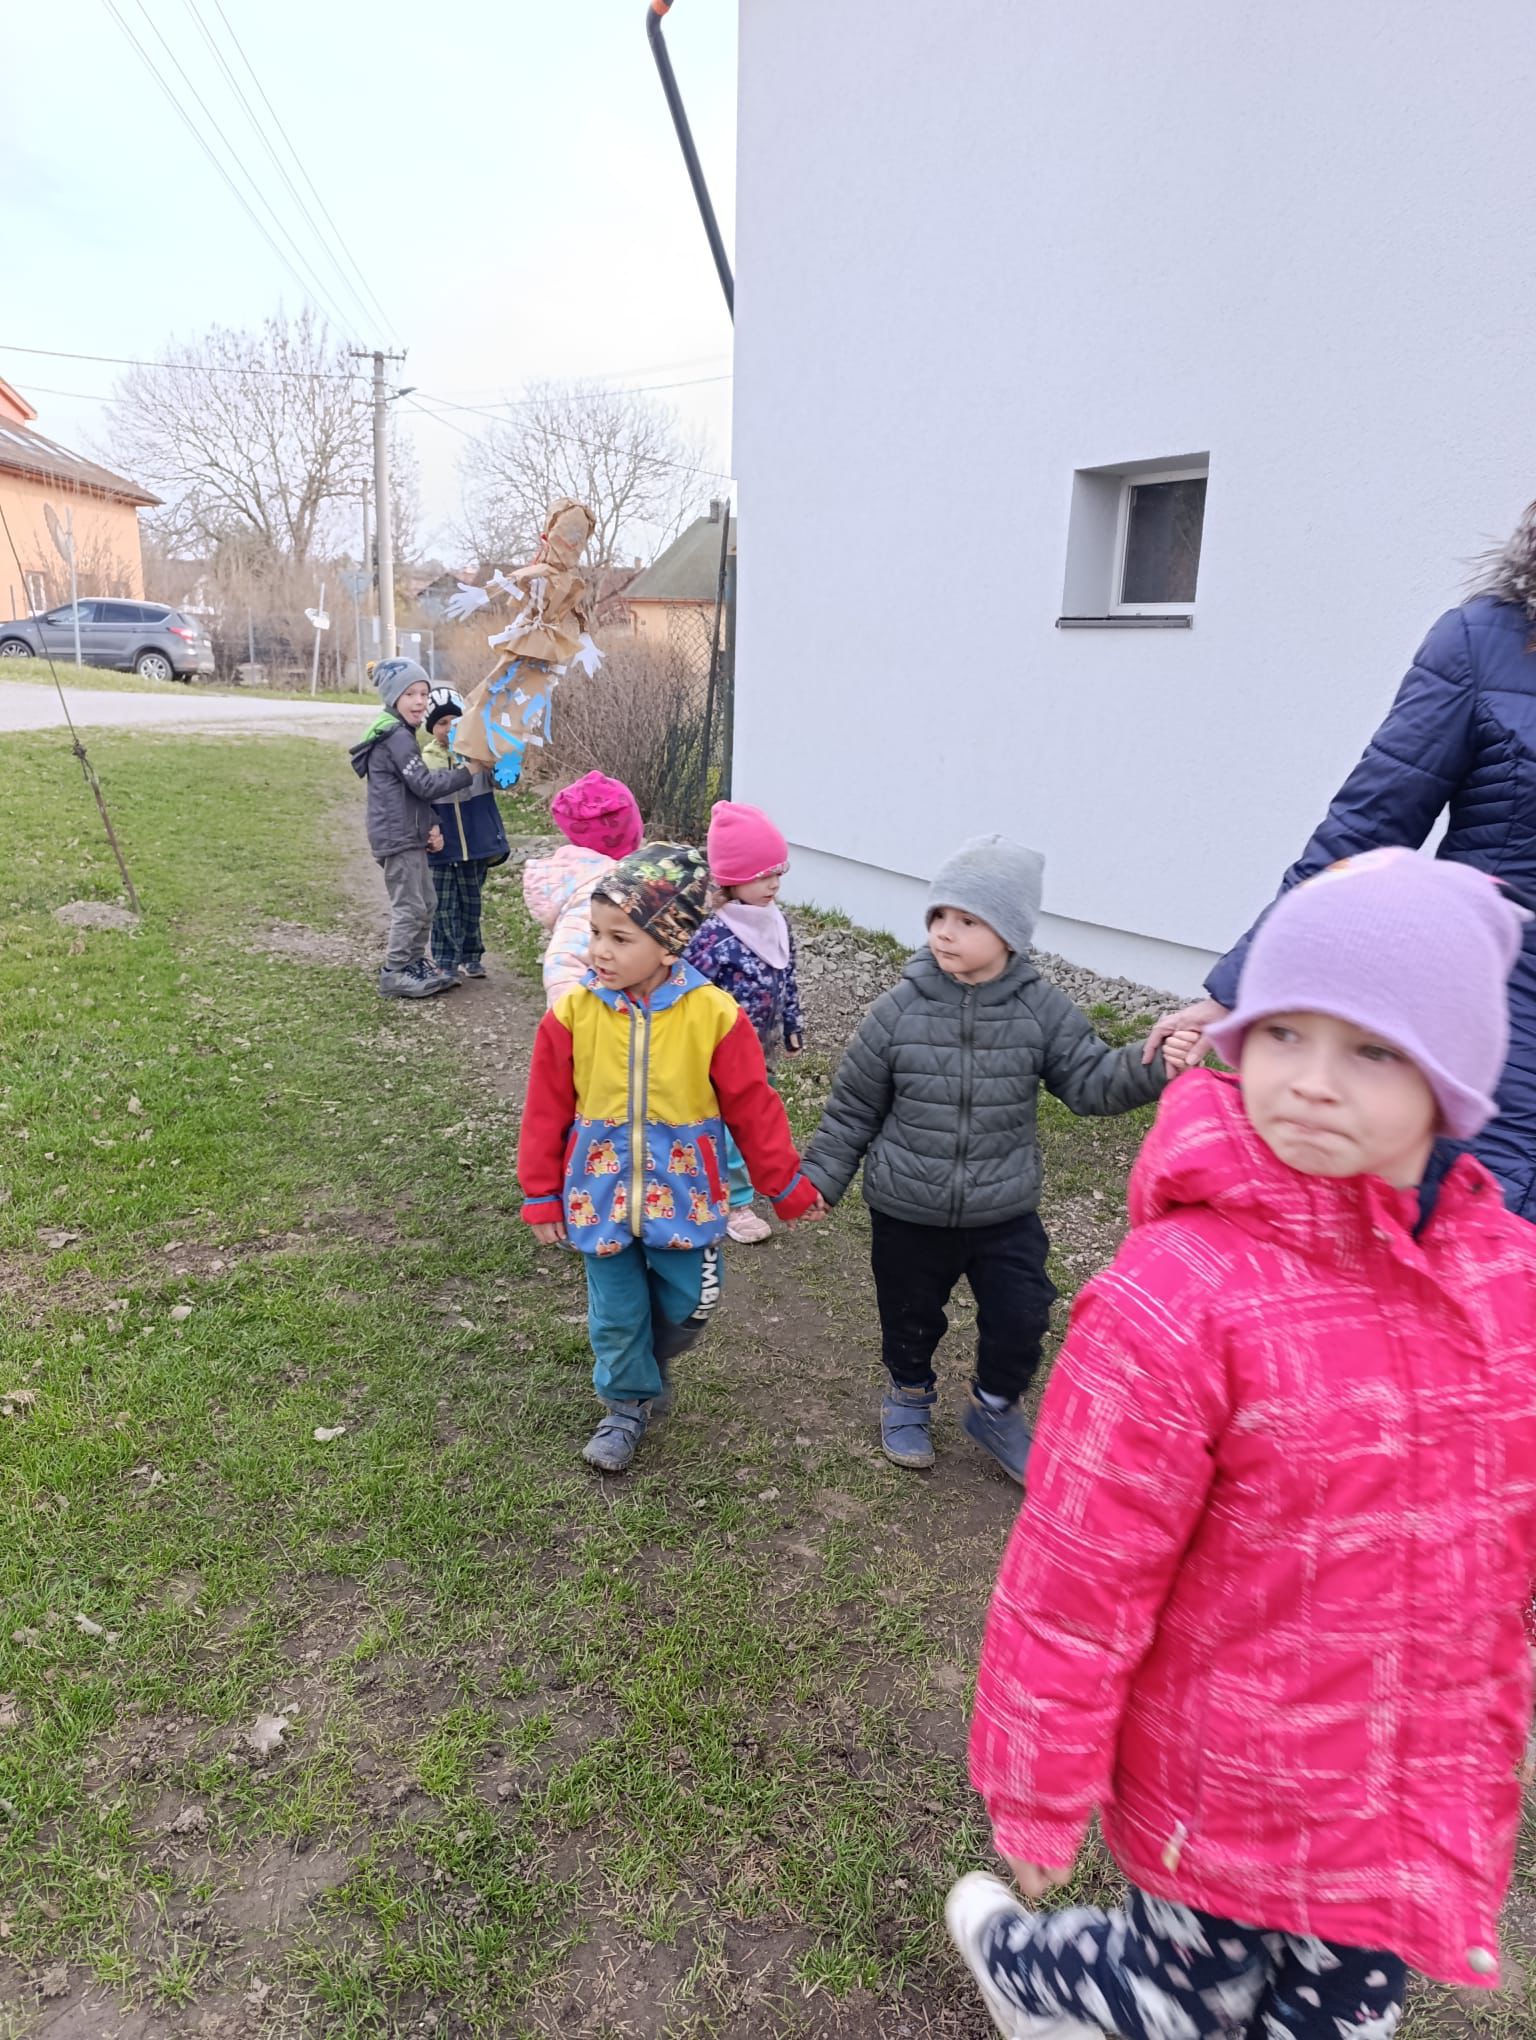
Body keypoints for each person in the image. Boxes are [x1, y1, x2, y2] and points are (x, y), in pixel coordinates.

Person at [947, 848, 1536, 2040]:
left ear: (1452, 1077)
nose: (1311, 1082)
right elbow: (1078, 1569)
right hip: (1217, 1791)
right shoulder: (1179, 1296)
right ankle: (1031, 1968)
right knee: (1177, 2002)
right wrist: (1038, 1782)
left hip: (1400, 1800)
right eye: (1283, 1033)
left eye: (1372, 1050)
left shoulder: (1507, 1287)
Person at [1146, 500, 1536, 1218]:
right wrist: (1243, 989)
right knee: (1476, 1224)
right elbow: (1369, 824)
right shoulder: (1485, 643)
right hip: (1504, 1008)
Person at [801, 835, 1185, 1483]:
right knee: (910, 1316)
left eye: (967, 920)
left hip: (1002, 1208)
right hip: (907, 1208)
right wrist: (820, 1178)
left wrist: (1154, 1067)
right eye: (939, 916)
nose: (945, 933)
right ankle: (909, 1394)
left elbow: (1091, 1081)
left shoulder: (1042, 1010)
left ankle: (996, 1406)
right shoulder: (897, 1011)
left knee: (1023, 1313)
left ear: (1009, 933)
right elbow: (853, 1108)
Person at [517, 843, 823, 1473]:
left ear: (668, 944)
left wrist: (784, 1184)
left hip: (687, 1196)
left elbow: (753, 1107)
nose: (599, 951)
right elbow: (545, 1109)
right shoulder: (572, 1014)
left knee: (690, 1305)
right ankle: (626, 1402)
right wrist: (541, 1193)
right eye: (595, 933)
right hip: (597, 1196)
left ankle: (647, 1359)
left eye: (619, 937)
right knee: (616, 1313)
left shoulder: (714, 1015)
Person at [683, 800, 805, 1245]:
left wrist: (791, 1022)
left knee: (755, 1119)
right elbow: (689, 995)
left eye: (778, 873)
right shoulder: (713, 935)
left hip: (761, 1048)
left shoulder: (776, 923)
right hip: (720, 1054)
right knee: (727, 1126)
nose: (774, 884)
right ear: (732, 878)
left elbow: (787, 975)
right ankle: (735, 1203)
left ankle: (743, 1181)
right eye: (761, 875)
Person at [349, 659, 473, 999]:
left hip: (409, 834)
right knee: (410, 907)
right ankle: (395, 971)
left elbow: (410, 791)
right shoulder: (396, 737)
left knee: (427, 902)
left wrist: (431, 823)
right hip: (397, 837)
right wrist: (469, 772)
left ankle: (415, 963)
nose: (419, 701)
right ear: (393, 697)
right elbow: (424, 784)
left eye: (423, 693)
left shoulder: (401, 733)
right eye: (410, 694)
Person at [522, 771, 645, 1005]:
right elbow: (563, 962)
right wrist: (573, 1018)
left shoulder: (594, 878)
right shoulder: (598, 892)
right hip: (601, 1015)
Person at [418, 687, 510, 983]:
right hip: (441, 847)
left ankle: (472, 956)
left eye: (455, 721)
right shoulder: (426, 759)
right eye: (441, 722)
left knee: (471, 903)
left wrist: (504, 759)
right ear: (431, 727)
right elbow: (420, 798)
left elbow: (505, 781)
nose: (449, 728)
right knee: (444, 906)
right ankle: (446, 961)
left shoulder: (480, 752)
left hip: (477, 841)